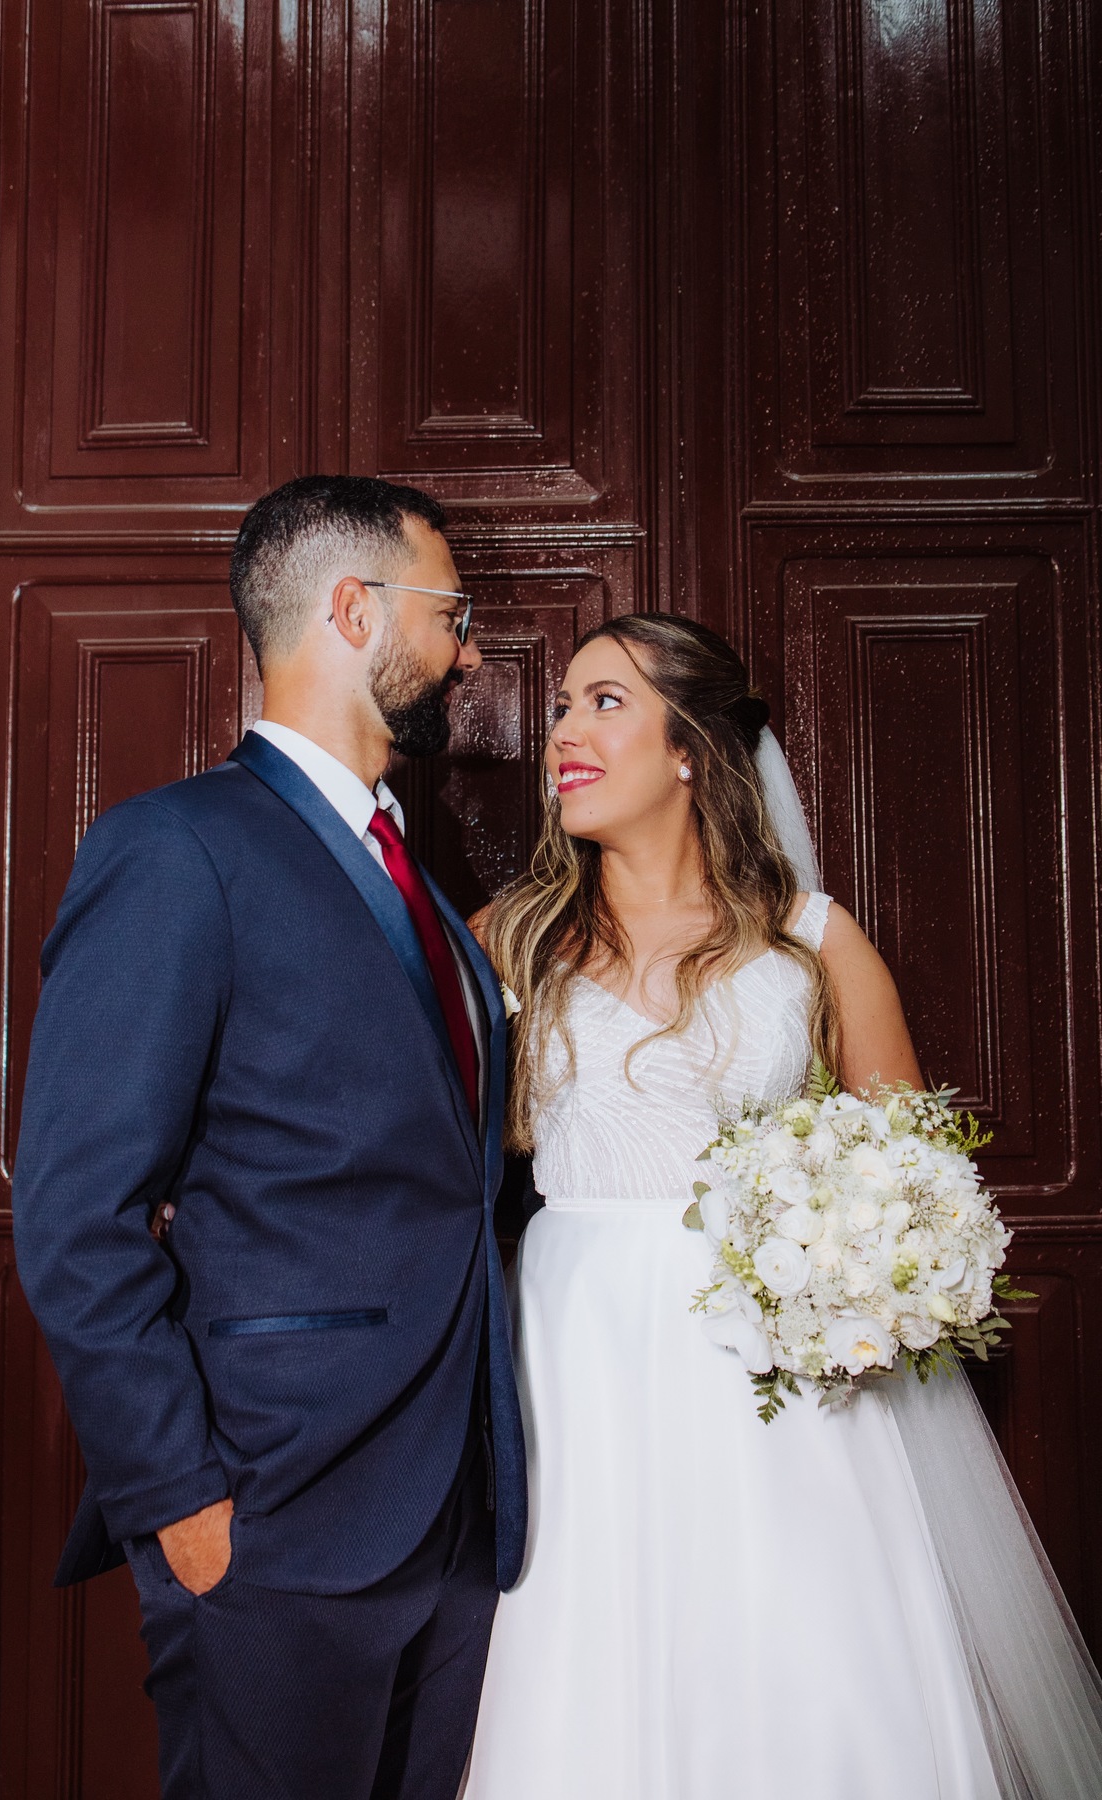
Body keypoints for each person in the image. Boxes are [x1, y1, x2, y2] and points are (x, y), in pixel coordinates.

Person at [462, 612, 1102, 1800]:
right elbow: (437, 1148)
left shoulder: (812, 944)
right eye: (559, 707)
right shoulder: (512, 940)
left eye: (605, 703)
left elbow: (917, 1181)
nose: (563, 734)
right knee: (589, 1645)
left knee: (800, 1655)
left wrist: (861, 1266)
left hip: (768, 1366)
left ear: (691, 748)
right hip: (575, 1348)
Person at [12, 475, 526, 1800]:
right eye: (451, 612)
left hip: (454, 1510)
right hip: (275, 1511)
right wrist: (181, 1502)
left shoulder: (421, 877)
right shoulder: (176, 851)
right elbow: (77, 1213)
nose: (471, 652)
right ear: (354, 610)